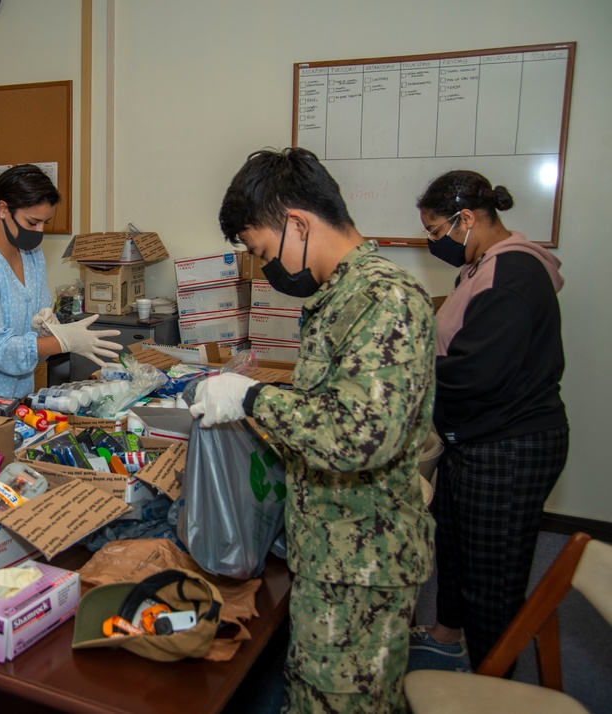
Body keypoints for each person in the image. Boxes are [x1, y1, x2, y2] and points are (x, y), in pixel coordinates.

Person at [188, 147, 437, 712]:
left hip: (361, 562)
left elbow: (361, 434)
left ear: (298, 223)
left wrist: (253, 397)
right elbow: (329, 407)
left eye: (262, 251)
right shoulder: (342, 297)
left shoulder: (383, 297)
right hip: (331, 549)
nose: (266, 267)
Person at [409, 170, 569, 671]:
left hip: (509, 445)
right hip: (474, 437)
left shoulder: (512, 274)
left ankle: (495, 679)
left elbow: (476, 371)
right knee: (455, 545)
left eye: (436, 232)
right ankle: (446, 634)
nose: (433, 243)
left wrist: (406, 375)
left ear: (467, 219)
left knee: (491, 574)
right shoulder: (481, 266)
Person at [0, 164, 120, 423]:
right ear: (3, 210)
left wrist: (46, 329)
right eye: (32, 222)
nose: (39, 232)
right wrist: (63, 342)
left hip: (10, 401)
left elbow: (33, 346)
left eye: (45, 223)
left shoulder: (31, 255)